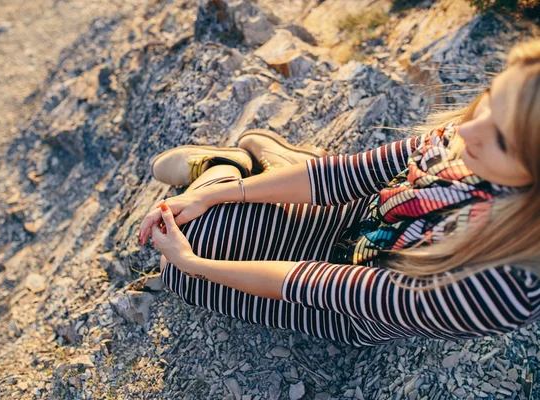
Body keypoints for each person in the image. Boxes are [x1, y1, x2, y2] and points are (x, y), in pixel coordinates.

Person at [137, 39, 540, 346]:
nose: (467, 130)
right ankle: (233, 168)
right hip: (355, 217)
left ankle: (239, 165)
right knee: (205, 219)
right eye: (489, 100)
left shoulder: (500, 287)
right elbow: (343, 177)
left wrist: (193, 264)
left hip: (347, 308)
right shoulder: (466, 138)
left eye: (502, 139)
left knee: (182, 276)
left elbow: (319, 285)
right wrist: (213, 196)